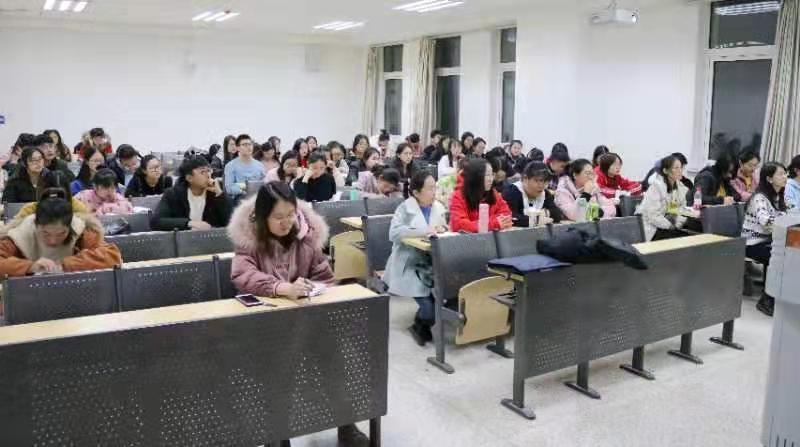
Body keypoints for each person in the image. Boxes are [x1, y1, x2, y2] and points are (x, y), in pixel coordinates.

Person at [227, 181, 371, 446]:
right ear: (262, 217)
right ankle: (278, 435)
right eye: (278, 217)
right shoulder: (249, 240)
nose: (286, 222)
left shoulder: (306, 237)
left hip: (307, 321)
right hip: (267, 328)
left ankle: (346, 423)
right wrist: (280, 287)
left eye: (290, 214)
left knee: (336, 363)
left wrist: (312, 288)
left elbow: (324, 276)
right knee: (275, 373)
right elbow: (242, 275)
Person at [383, 171, 448, 345]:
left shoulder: (439, 207)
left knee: (440, 305)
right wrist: (425, 231)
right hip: (409, 263)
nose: (434, 192)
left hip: (431, 263)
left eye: (435, 187)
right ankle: (419, 324)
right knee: (429, 309)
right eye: (430, 188)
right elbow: (394, 233)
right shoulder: (405, 208)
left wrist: (443, 229)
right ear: (416, 192)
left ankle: (423, 324)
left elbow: (444, 227)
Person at [0, 191, 122, 277]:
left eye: (61, 234)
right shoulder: (22, 233)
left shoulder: (80, 231)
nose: (53, 241)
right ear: (36, 225)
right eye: (46, 233)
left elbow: (112, 257)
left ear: (70, 227)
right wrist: (30, 267)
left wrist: (66, 264)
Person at [741, 162, 788, 316]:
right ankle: (767, 299)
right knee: (778, 258)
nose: (785, 177)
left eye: (785, 173)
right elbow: (766, 223)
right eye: (780, 174)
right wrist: (784, 221)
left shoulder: (779, 197)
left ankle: (778, 296)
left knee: (787, 255)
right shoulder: (759, 198)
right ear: (769, 178)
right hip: (752, 243)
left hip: (769, 241)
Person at [152, 156, 232, 231]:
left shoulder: (215, 192)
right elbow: (157, 221)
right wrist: (189, 223)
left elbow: (231, 222)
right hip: (183, 239)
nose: (208, 175)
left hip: (211, 239)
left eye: (209, 170)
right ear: (189, 178)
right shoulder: (173, 194)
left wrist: (220, 195)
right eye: (202, 172)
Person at [450, 158, 513, 233]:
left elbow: (506, 216)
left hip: (490, 238)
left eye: (492, 174)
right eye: (487, 175)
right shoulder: (459, 196)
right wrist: (492, 223)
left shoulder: (493, 193)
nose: (491, 179)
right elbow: (458, 225)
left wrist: (476, 224)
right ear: (476, 176)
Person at [637, 155, 690, 241]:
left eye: (681, 167)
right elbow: (653, 215)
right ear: (665, 171)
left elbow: (682, 209)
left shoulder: (680, 188)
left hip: (668, 226)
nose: (680, 170)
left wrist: (678, 224)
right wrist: (670, 226)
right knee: (680, 239)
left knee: (689, 237)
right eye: (676, 168)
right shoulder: (656, 187)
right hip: (652, 228)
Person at [503, 161, 563, 227]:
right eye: (537, 181)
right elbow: (510, 217)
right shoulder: (511, 192)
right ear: (525, 178)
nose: (541, 185)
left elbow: (558, 214)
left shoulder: (544, 193)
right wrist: (536, 220)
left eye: (545, 181)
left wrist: (545, 213)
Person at [224, 134, 266, 202]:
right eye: (245, 145)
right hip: (240, 199)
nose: (248, 147)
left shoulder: (260, 165)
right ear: (238, 148)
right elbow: (229, 188)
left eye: (250, 144)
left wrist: (240, 185)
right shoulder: (230, 166)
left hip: (258, 198)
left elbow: (265, 183)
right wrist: (246, 189)